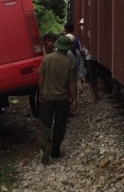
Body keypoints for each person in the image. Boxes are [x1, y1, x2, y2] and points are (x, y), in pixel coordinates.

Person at [38, 36, 78, 164]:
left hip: (48, 97)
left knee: (45, 123)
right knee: (60, 124)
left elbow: (41, 78)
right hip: (62, 98)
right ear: (67, 49)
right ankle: (55, 150)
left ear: (57, 46)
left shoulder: (47, 59)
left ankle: (46, 147)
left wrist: (41, 92)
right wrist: (74, 99)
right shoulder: (69, 63)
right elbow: (72, 83)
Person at [29, 32, 56, 118]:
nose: (50, 43)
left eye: (52, 41)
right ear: (44, 41)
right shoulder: (40, 53)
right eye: (48, 41)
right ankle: (35, 110)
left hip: (50, 77)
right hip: (39, 75)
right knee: (34, 92)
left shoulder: (55, 52)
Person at [79, 18, 101, 102]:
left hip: (91, 58)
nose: (81, 27)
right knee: (88, 78)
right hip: (89, 57)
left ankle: (97, 96)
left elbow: (91, 45)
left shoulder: (89, 32)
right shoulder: (86, 32)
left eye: (82, 25)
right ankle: (96, 96)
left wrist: (85, 50)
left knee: (92, 78)